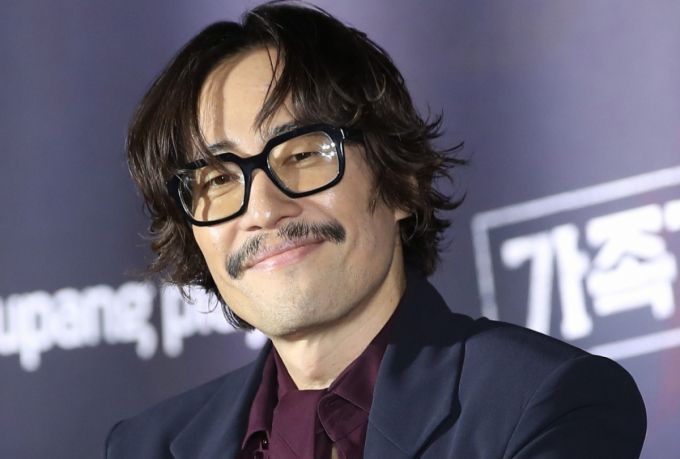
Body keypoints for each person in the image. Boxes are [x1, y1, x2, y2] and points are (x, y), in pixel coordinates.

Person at [104, 2, 646, 458]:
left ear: (402, 181)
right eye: (219, 179)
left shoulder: (541, 402)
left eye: (303, 154)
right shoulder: (147, 446)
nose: (264, 209)